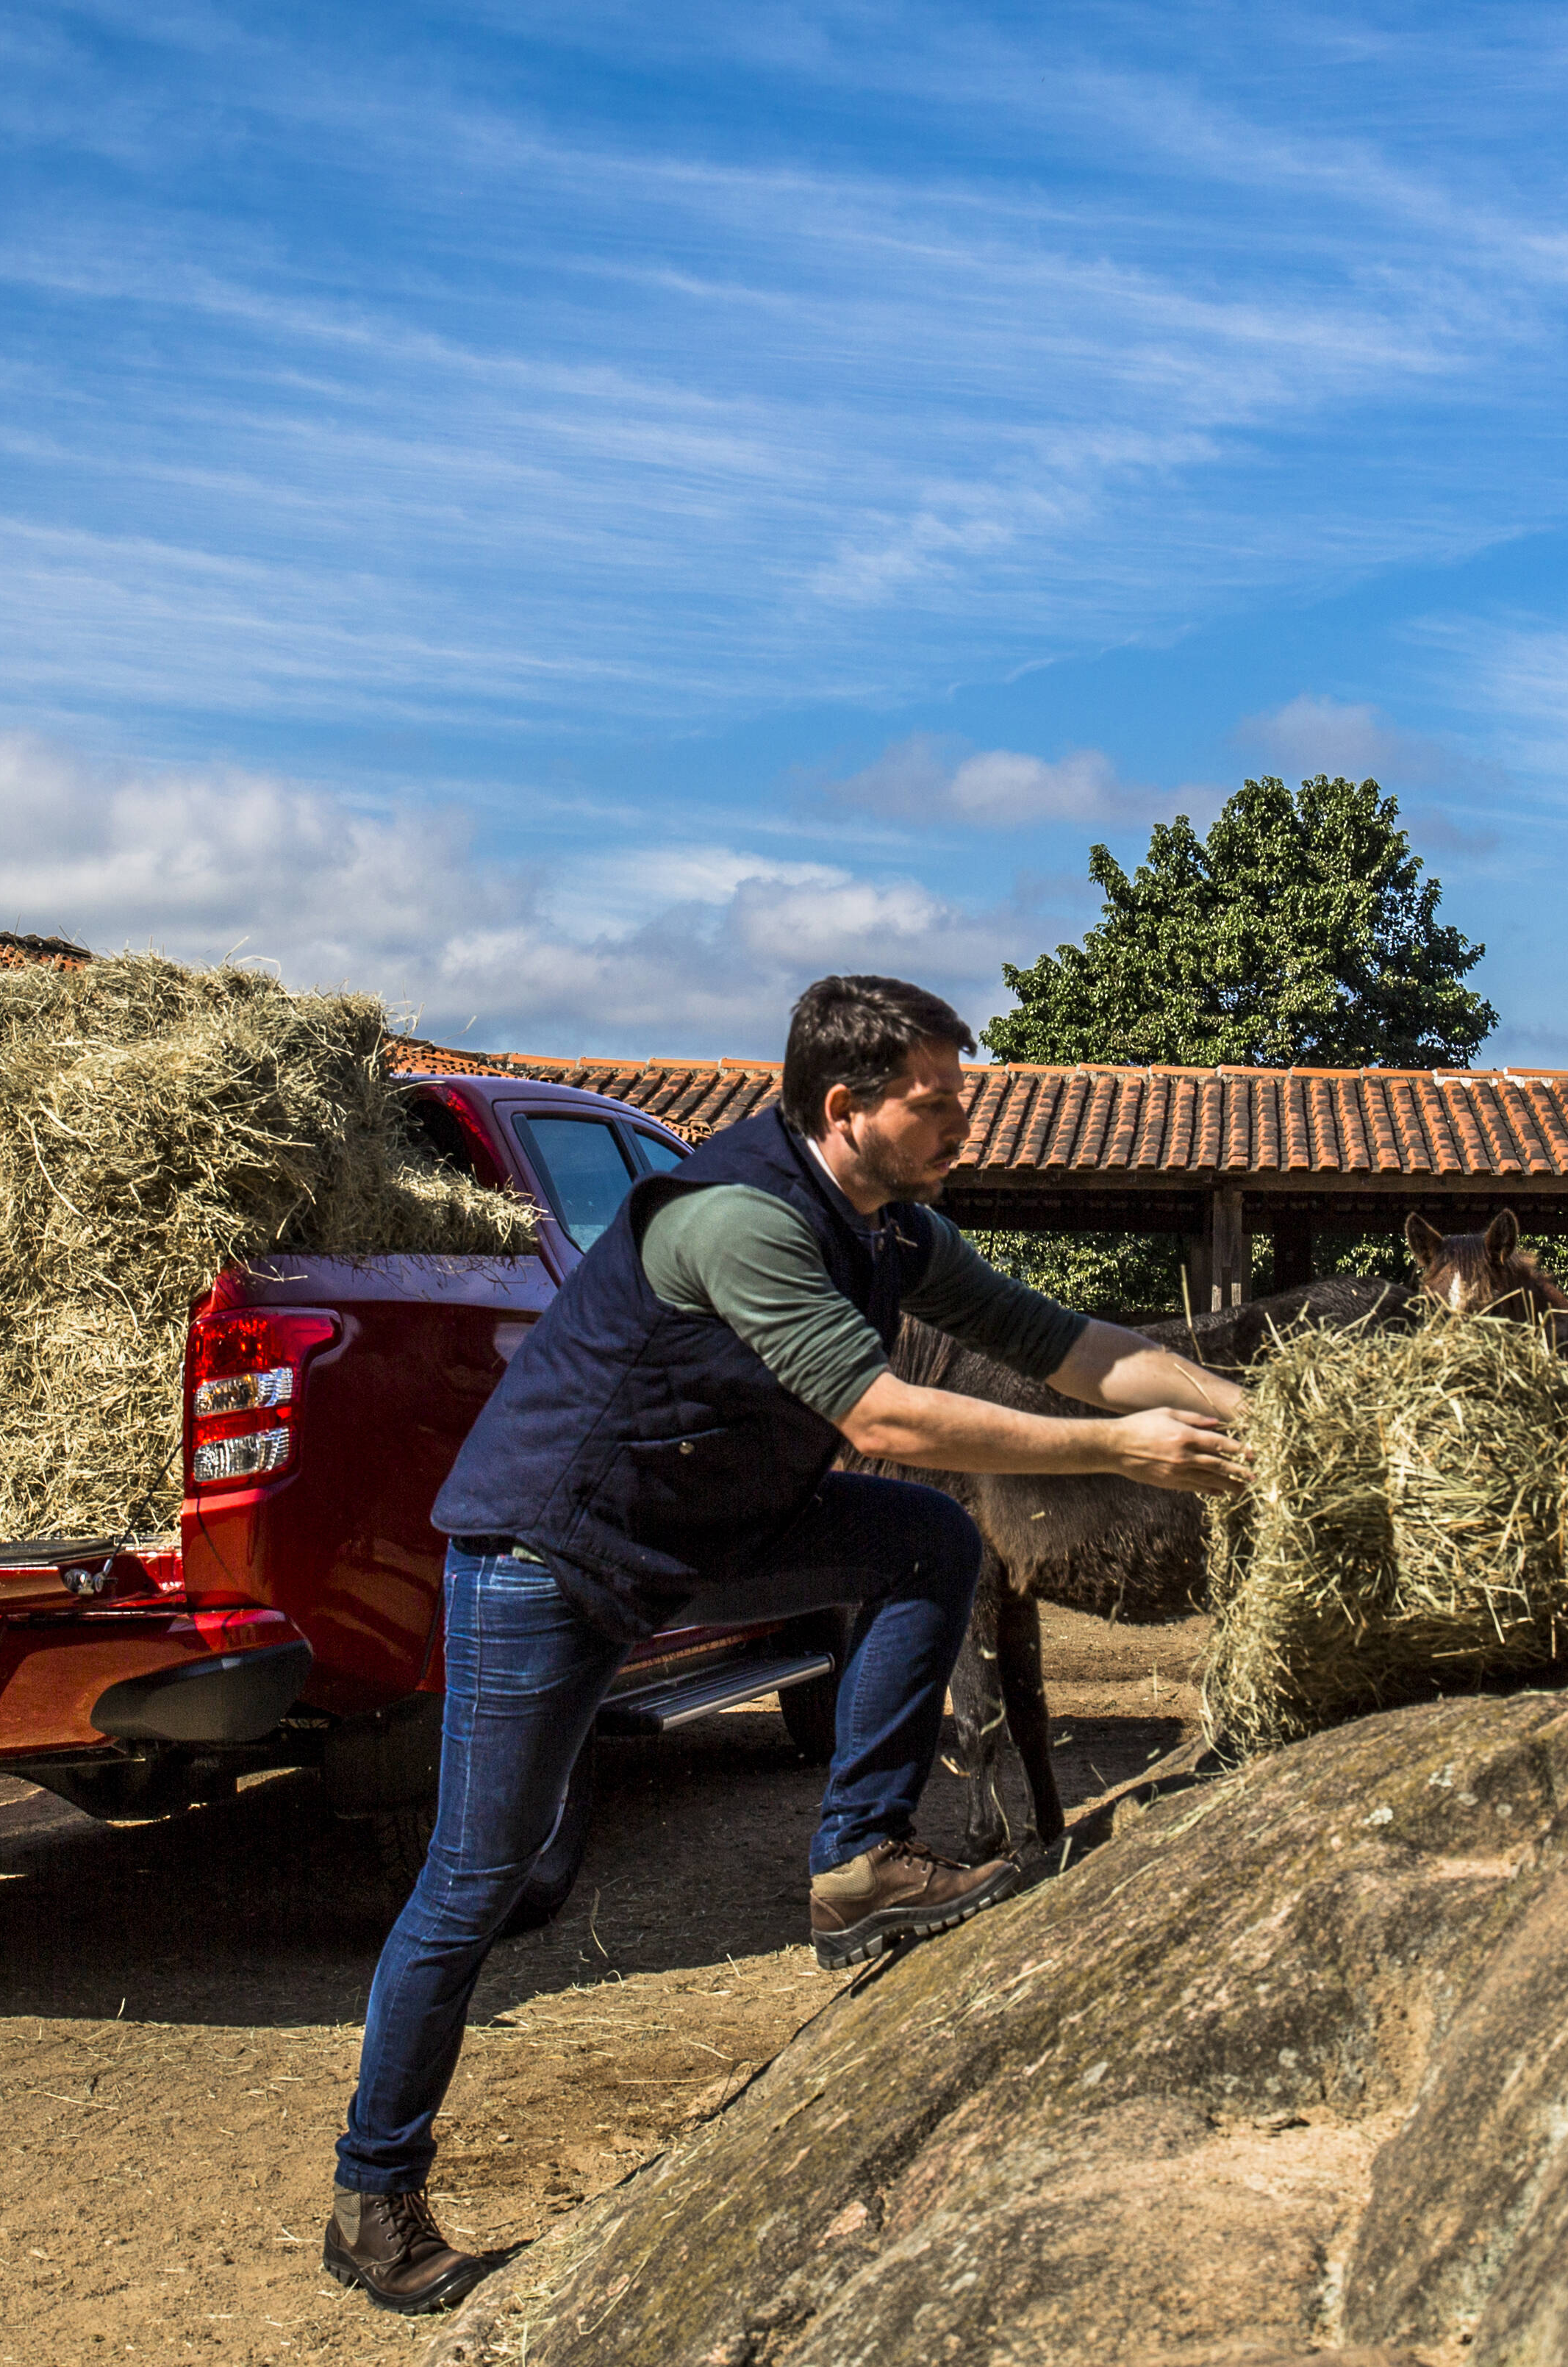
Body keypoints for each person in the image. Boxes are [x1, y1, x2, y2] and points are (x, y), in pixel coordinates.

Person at [321, 974, 1247, 2315]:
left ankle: (860, 1861)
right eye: (938, 1104)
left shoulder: (894, 1226)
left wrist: (1248, 1411)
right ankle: (373, 2195)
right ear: (845, 1105)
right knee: (483, 1877)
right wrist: (1122, 1452)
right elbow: (886, 1420)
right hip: (552, 1551)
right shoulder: (739, 1220)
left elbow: (1067, 1343)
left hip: (711, 1525)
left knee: (927, 1544)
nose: (962, 1128)